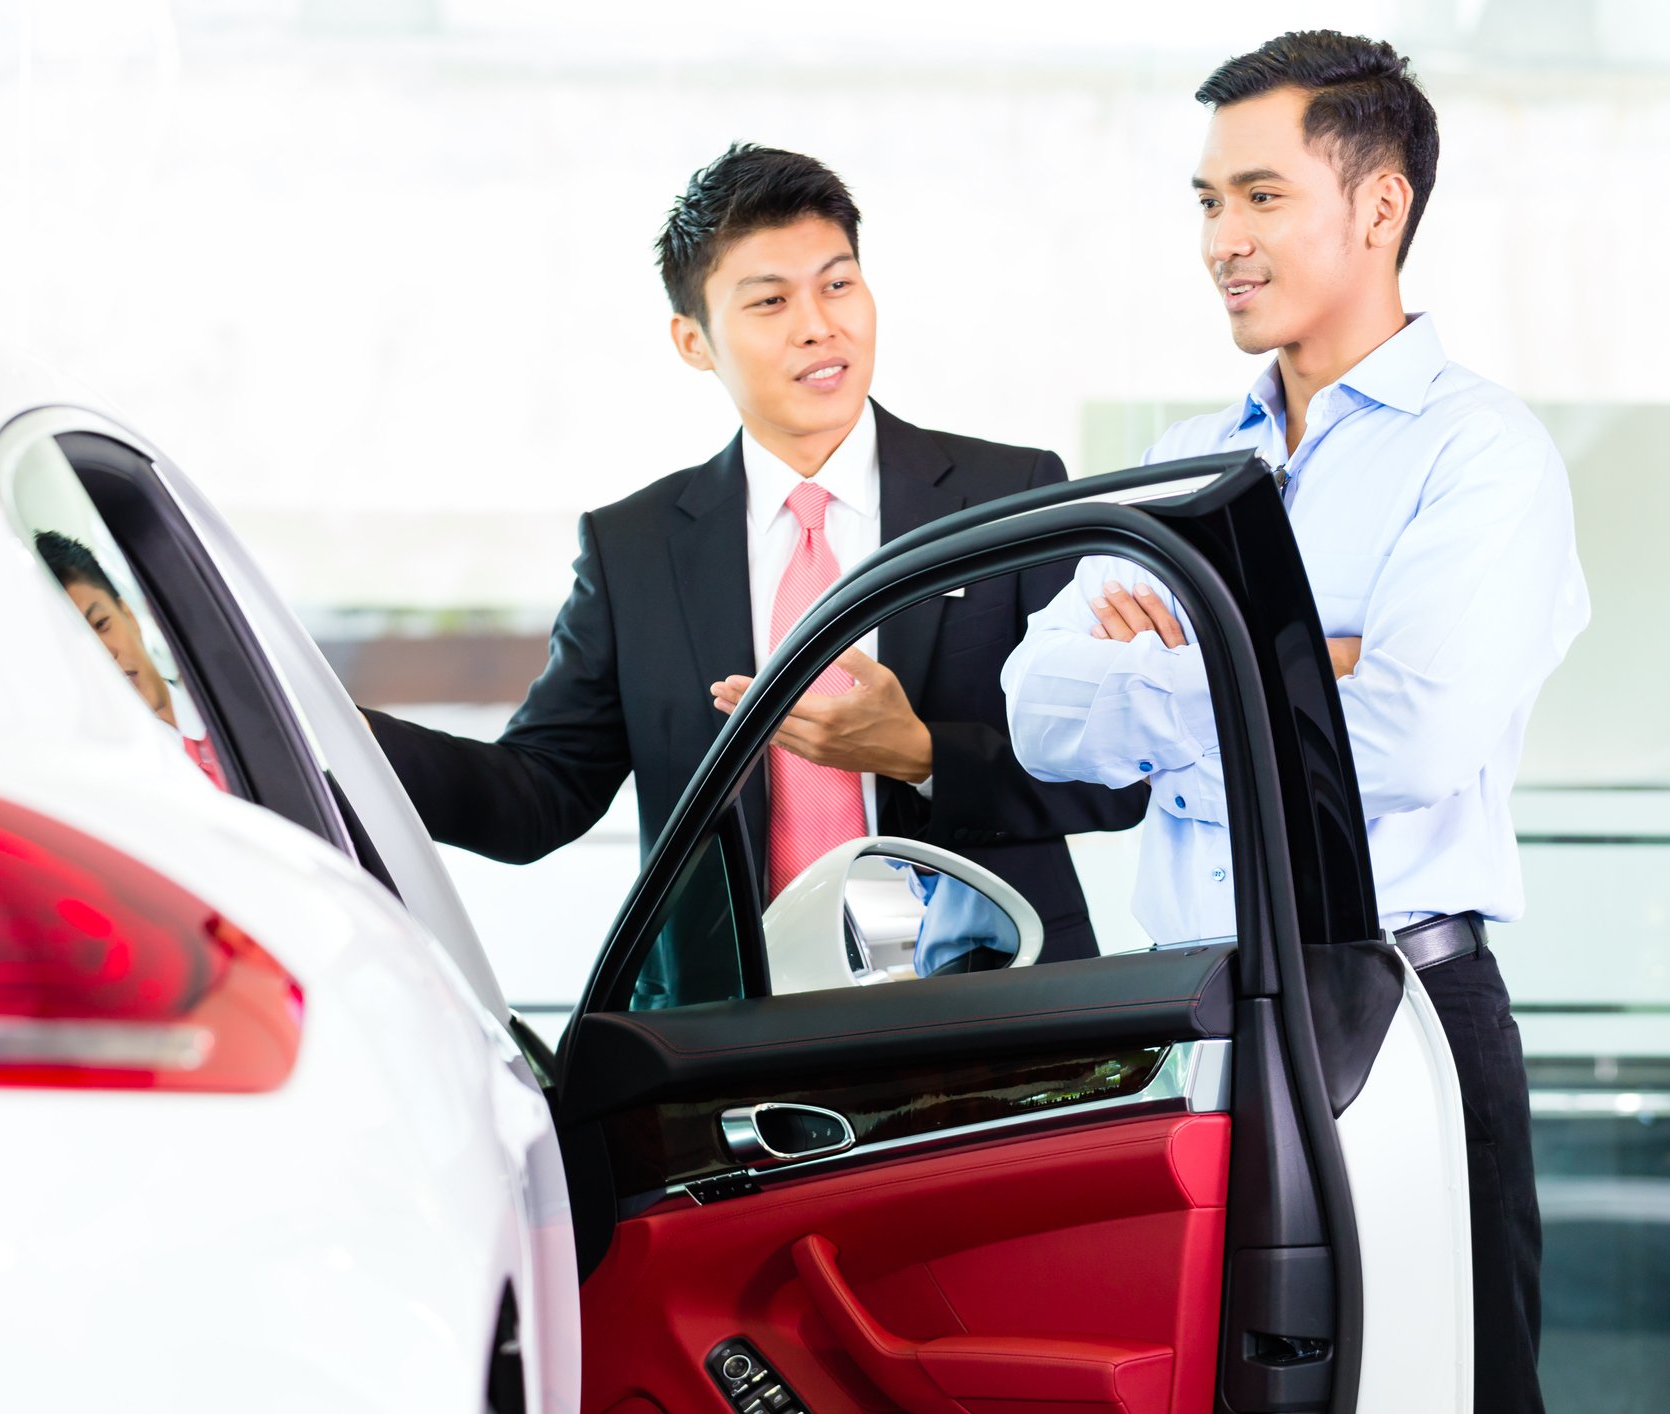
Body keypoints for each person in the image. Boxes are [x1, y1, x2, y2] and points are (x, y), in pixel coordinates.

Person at [999, 33, 1587, 1412]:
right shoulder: (1185, 463)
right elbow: (1039, 711)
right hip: (1189, 1008)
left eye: (1259, 196)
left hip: (1394, 1003)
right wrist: (1294, 659)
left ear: (1376, 207)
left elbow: (1408, 741)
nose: (1221, 239)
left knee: (1446, 1383)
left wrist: (1176, 657)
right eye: (1208, 202)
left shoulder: (1478, 452)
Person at [363, 143, 1143, 962]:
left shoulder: (1009, 495)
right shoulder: (636, 547)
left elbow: (1114, 777)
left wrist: (917, 755)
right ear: (693, 340)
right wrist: (321, 729)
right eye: (769, 302)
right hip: (732, 1023)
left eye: (838, 284)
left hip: (995, 1006)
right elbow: (536, 798)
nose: (819, 325)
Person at [34, 529, 230, 792]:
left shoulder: (226, 708)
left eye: (101, 624)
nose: (104, 654)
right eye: (77, 648)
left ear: (129, 616)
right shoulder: (113, 782)